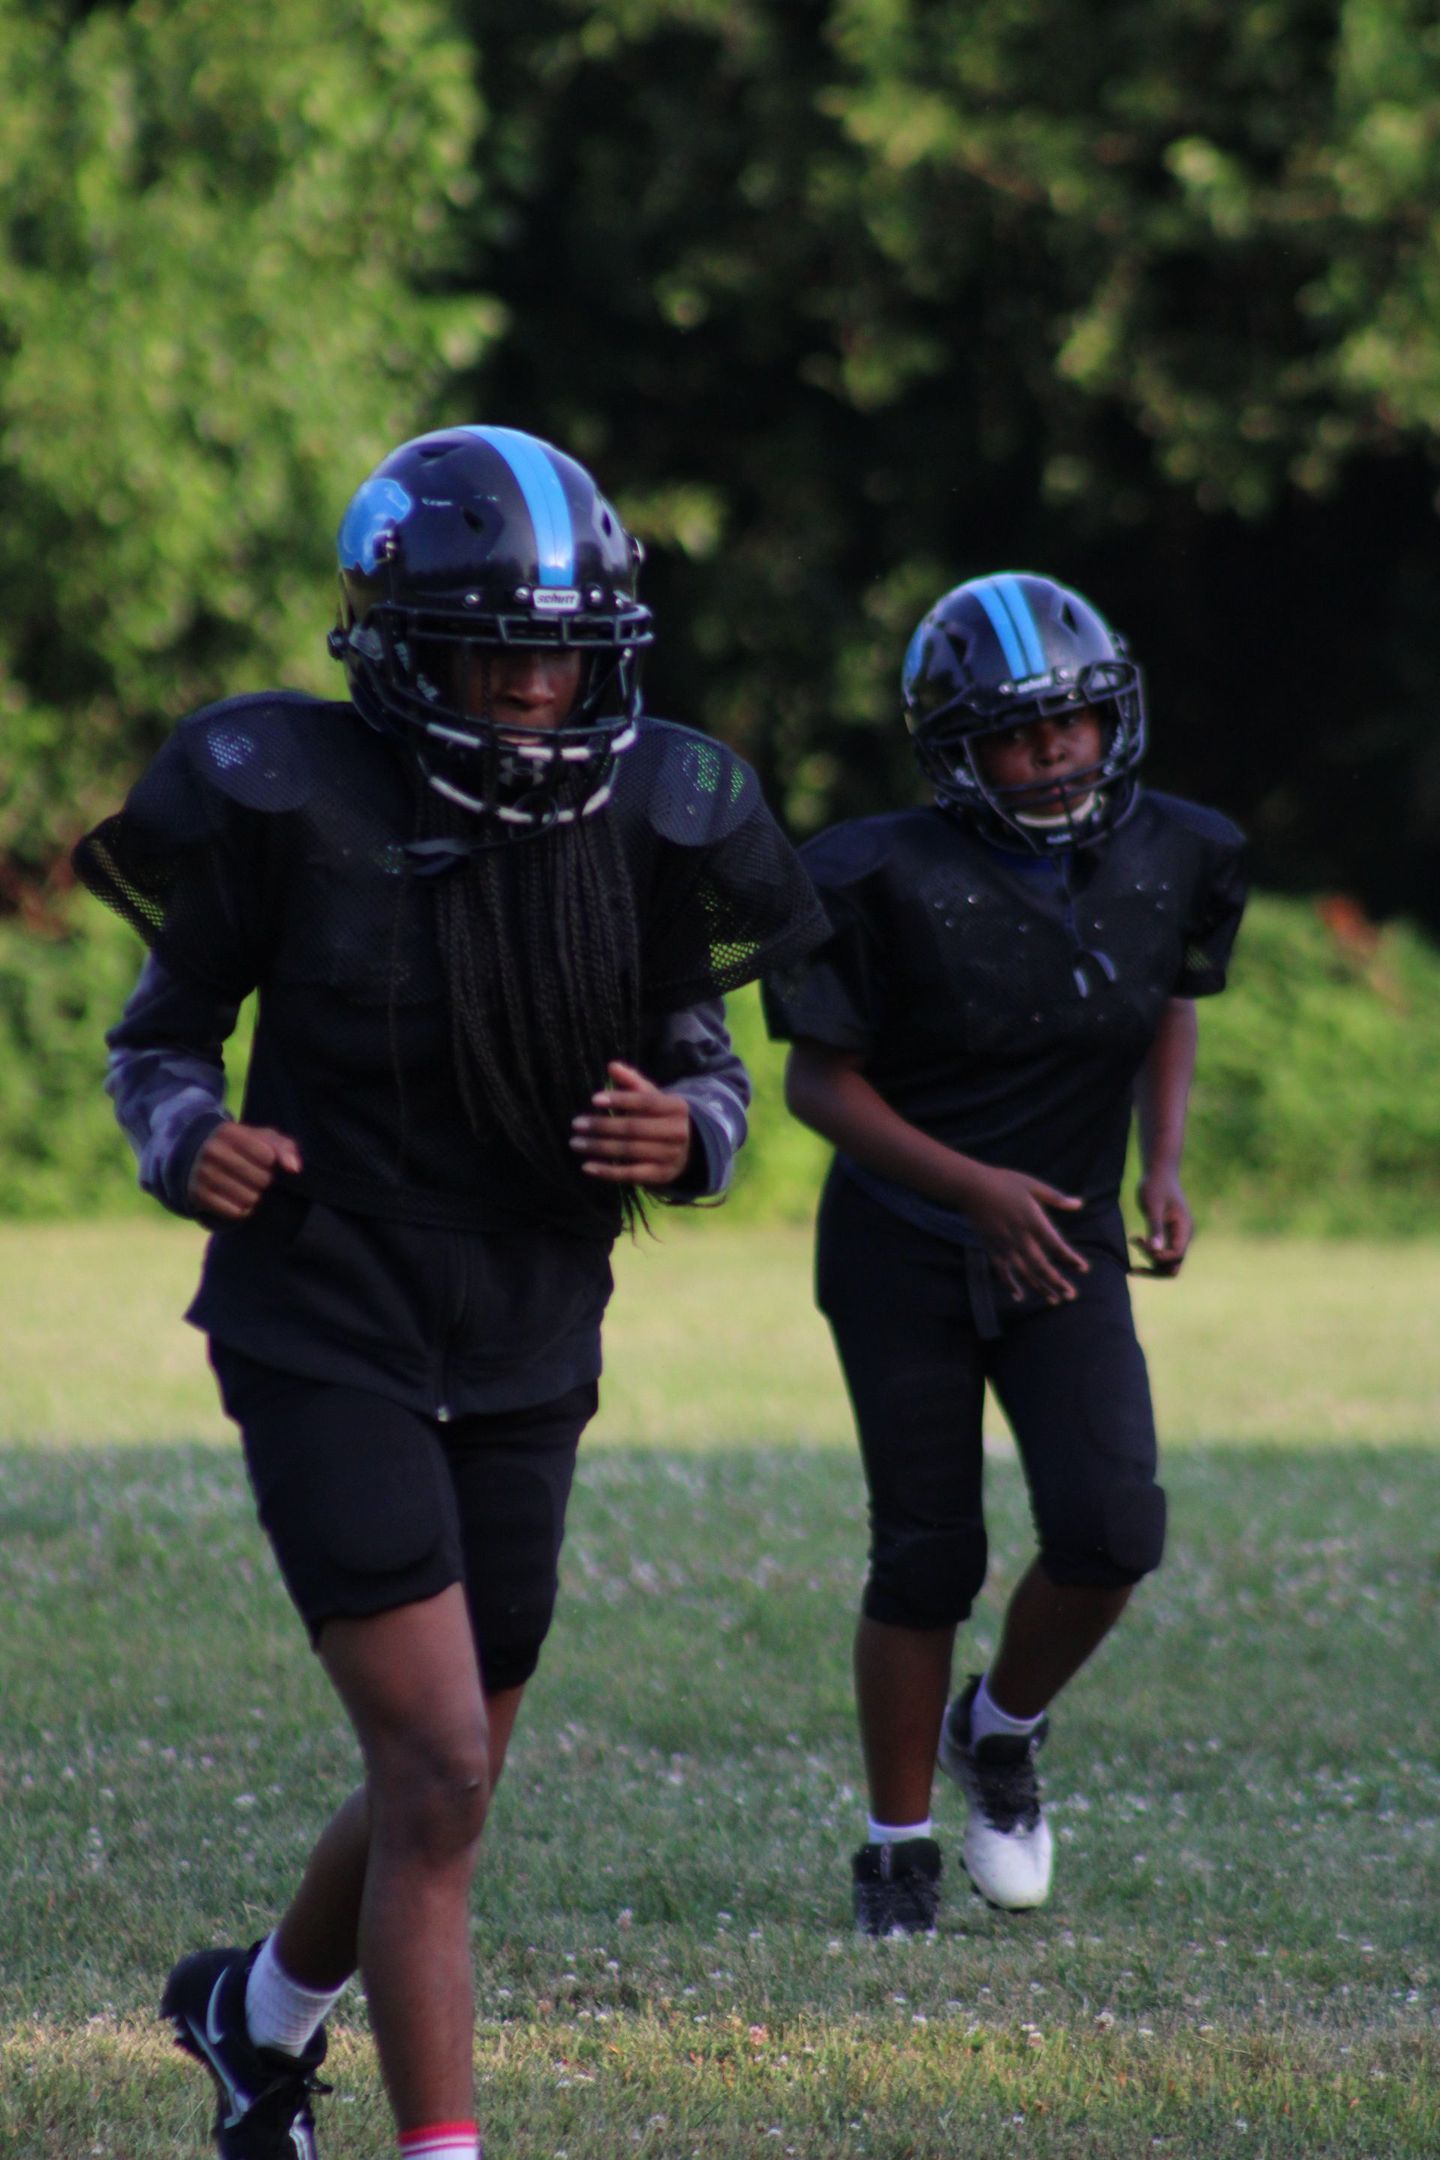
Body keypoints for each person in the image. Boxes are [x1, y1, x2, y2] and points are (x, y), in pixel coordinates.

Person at [75, 424, 827, 2160]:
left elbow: (706, 1069)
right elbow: (158, 1041)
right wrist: (189, 1136)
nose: (538, 691)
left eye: (564, 653)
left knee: (442, 1780)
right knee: (443, 1774)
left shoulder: (650, 810)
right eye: (498, 651)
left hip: (529, 1324)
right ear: (403, 645)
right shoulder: (286, 791)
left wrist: (686, 1132)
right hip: (322, 1308)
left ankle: (251, 2019)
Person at [763, 571, 1247, 1935]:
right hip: (906, 1239)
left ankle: (1006, 1728)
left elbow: (1161, 999)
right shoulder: (876, 875)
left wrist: (1160, 1163)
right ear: (955, 749)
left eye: (1074, 727)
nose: (1054, 756)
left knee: (1112, 1530)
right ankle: (896, 1850)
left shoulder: (1176, 850)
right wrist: (975, 1187)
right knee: (926, 1555)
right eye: (1020, 737)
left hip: (1068, 1242)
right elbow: (819, 1085)